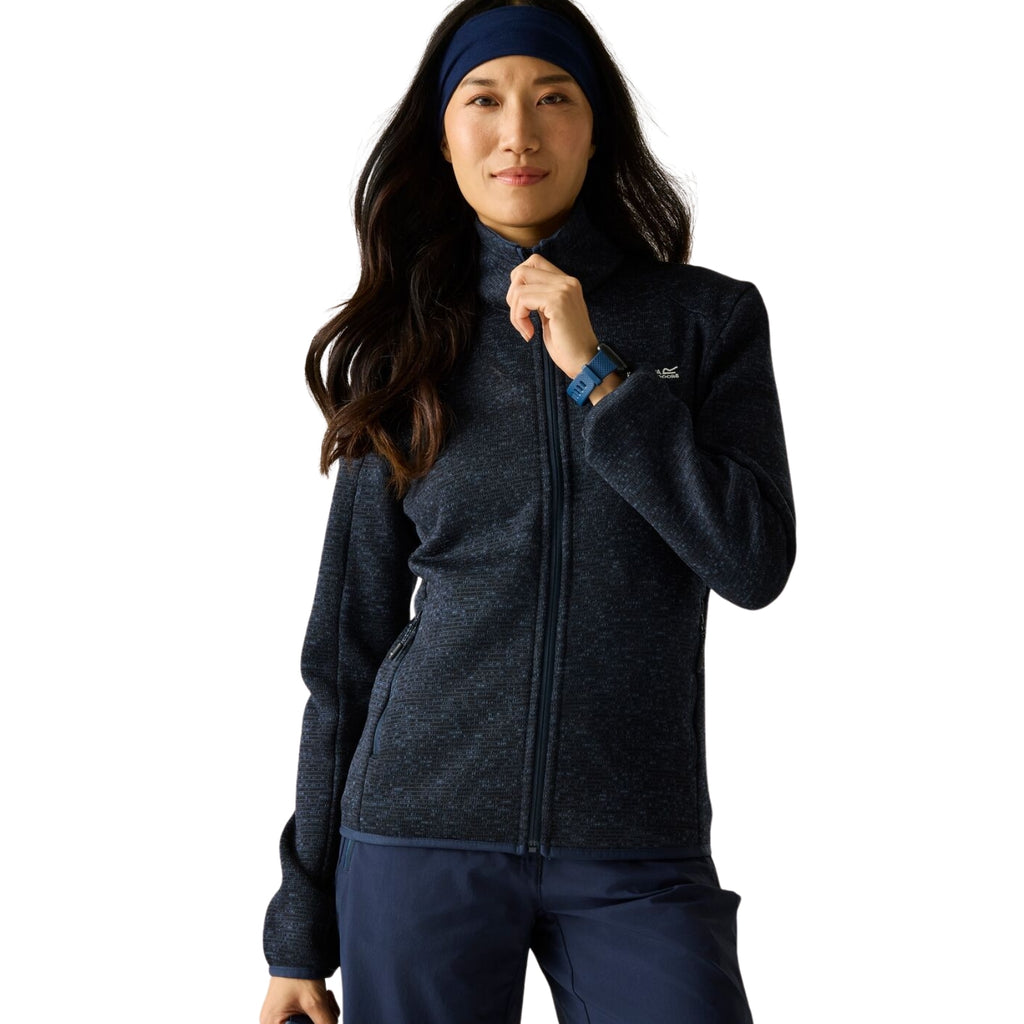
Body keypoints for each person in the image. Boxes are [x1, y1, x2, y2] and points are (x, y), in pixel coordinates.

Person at [259, 0, 796, 1021]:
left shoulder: (706, 318)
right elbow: (345, 648)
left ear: (596, 129)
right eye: (484, 101)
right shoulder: (403, 346)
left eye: (553, 99)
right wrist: (299, 931)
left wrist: (599, 373)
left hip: (636, 840)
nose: (519, 133)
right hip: (417, 836)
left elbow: (752, 559)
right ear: (443, 135)